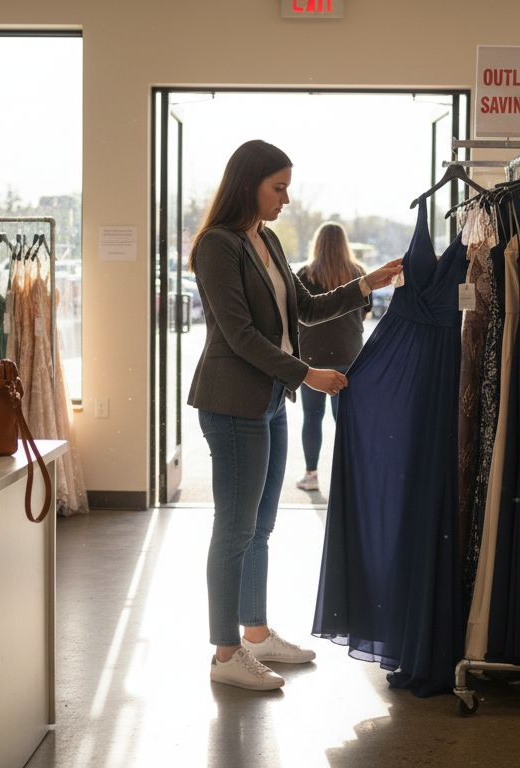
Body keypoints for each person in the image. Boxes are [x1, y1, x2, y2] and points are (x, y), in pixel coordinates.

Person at [187, 139, 403, 691]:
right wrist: (305, 375)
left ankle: (254, 634)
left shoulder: (267, 240)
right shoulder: (218, 245)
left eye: (287, 188)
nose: (285, 198)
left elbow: (302, 310)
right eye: (277, 187)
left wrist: (364, 285)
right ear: (248, 184)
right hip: (232, 401)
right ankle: (224, 653)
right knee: (233, 529)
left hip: (268, 400)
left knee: (260, 526)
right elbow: (238, 335)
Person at [293, 222, 369, 492]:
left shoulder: (304, 274)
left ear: (317, 243)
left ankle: (311, 475)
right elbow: (365, 312)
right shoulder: (358, 273)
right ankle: (348, 475)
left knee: (312, 417)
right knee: (345, 419)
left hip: (312, 357)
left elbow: (298, 312)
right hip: (349, 355)